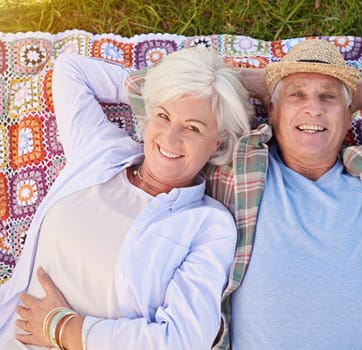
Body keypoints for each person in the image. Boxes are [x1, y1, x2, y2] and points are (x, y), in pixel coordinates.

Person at [127, 39, 362, 349]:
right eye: (296, 95)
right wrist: (258, 83)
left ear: (349, 118)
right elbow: (146, 88)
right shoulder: (234, 168)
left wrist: (359, 92)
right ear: (271, 111)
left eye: (328, 97)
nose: (312, 107)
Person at [0, 46, 254, 349]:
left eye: (193, 127)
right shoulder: (100, 151)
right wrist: (177, 81)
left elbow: (184, 339)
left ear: (218, 143)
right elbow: (72, 70)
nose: (170, 138)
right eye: (163, 115)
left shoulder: (208, 225)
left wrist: (63, 327)